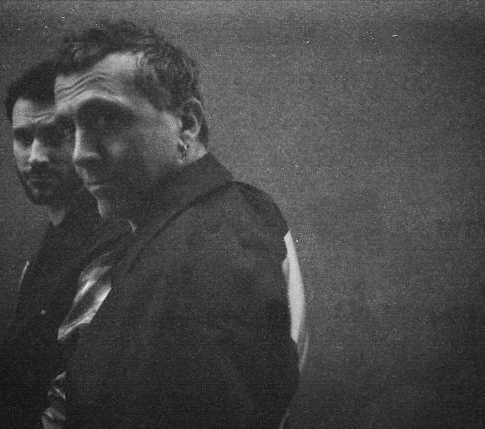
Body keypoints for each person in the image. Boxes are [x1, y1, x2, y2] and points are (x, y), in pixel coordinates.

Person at [47, 21, 306, 427]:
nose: (80, 154)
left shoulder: (207, 246)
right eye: (70, 128)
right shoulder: (193, 221)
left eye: (106, 119)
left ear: (186, 124)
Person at [0, 60, 132, 428]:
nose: (36, 157)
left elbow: (76, 398)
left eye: (54, 136)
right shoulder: (49, 246)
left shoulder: (109, 241)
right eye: (23, 138)